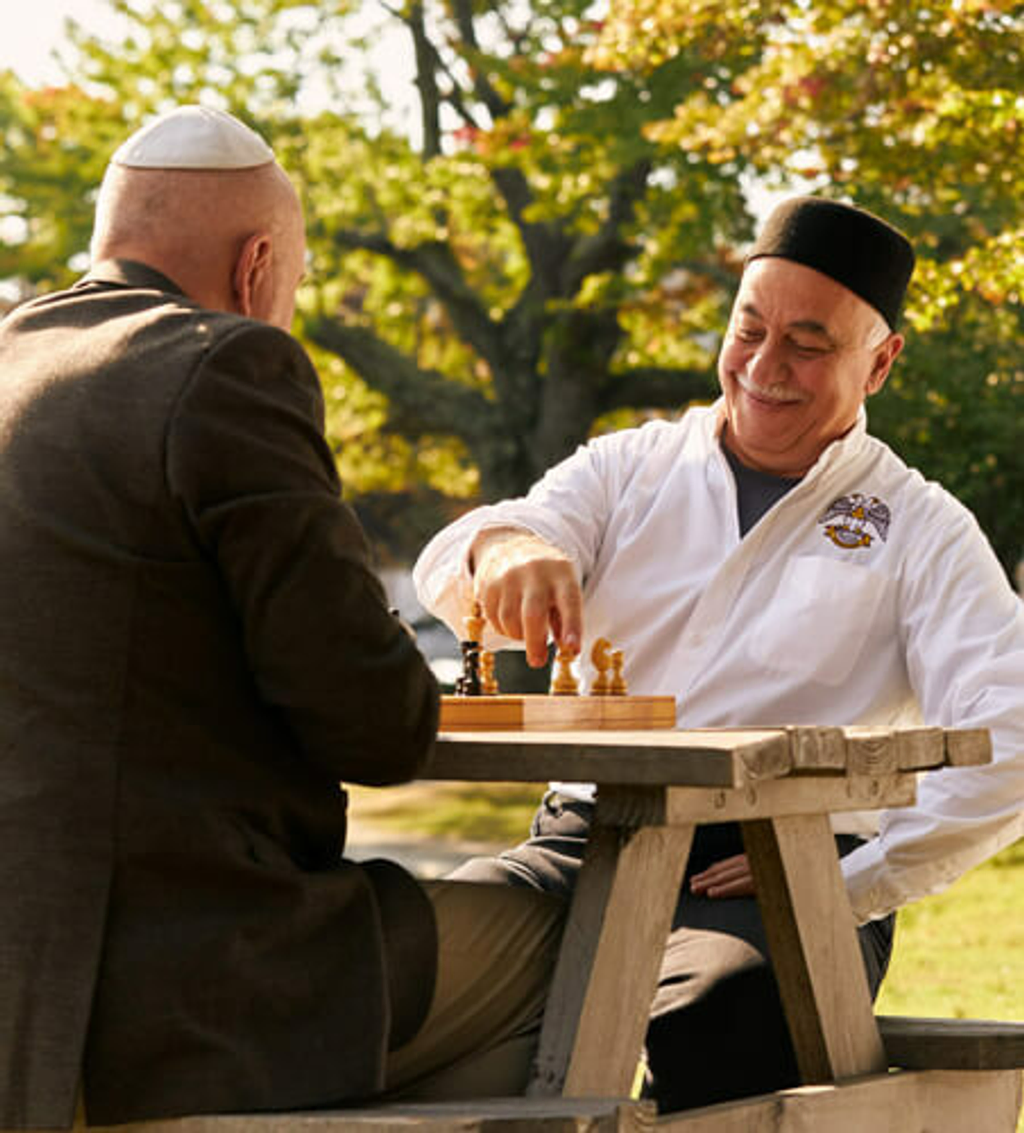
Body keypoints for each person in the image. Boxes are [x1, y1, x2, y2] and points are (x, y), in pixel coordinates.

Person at [0, 105, 563, 1130]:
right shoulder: (223, 365)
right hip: (181, 981)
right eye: (293, 289)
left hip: (22, 989)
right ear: (259, 265)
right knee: (567, 944)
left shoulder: (13, 359)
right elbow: (377, 722)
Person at [413, 197, 1024, 1112]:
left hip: (777, 877)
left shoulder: (918, 527)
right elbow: (478, 551)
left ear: (881, 361)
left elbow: (1011, 727)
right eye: (749, 329)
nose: (765, 368)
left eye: (809, 345)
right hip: (580, 849)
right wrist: (505, 550)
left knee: (722, 1011)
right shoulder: (626, 469)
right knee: (416, 964)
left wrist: (848, 876)